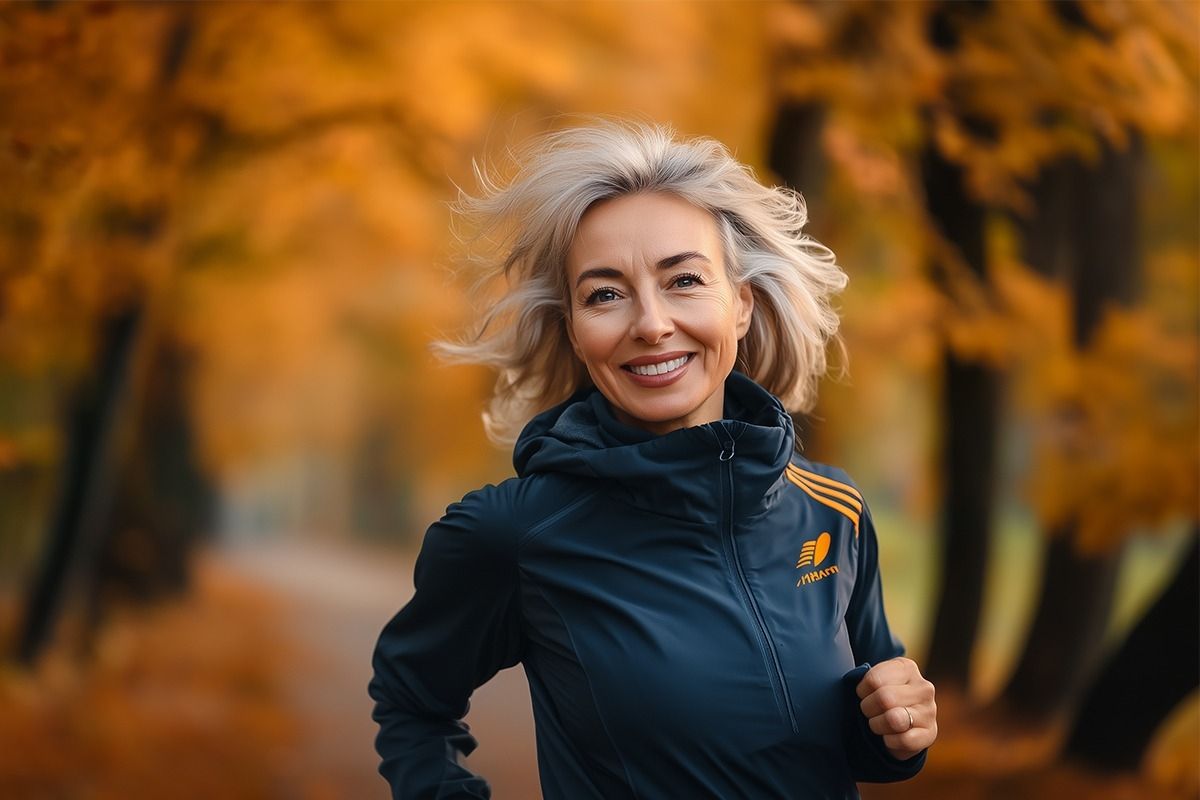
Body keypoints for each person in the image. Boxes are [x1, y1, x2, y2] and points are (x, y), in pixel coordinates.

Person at [368, 120, 937, 799]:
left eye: (684, 280)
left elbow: (857, 736)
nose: (651, 323)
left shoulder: (831, 509)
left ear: (741, 306)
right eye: (605, 294)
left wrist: (896, 730)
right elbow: (410, 701)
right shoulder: (516, 535)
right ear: (575, 333)